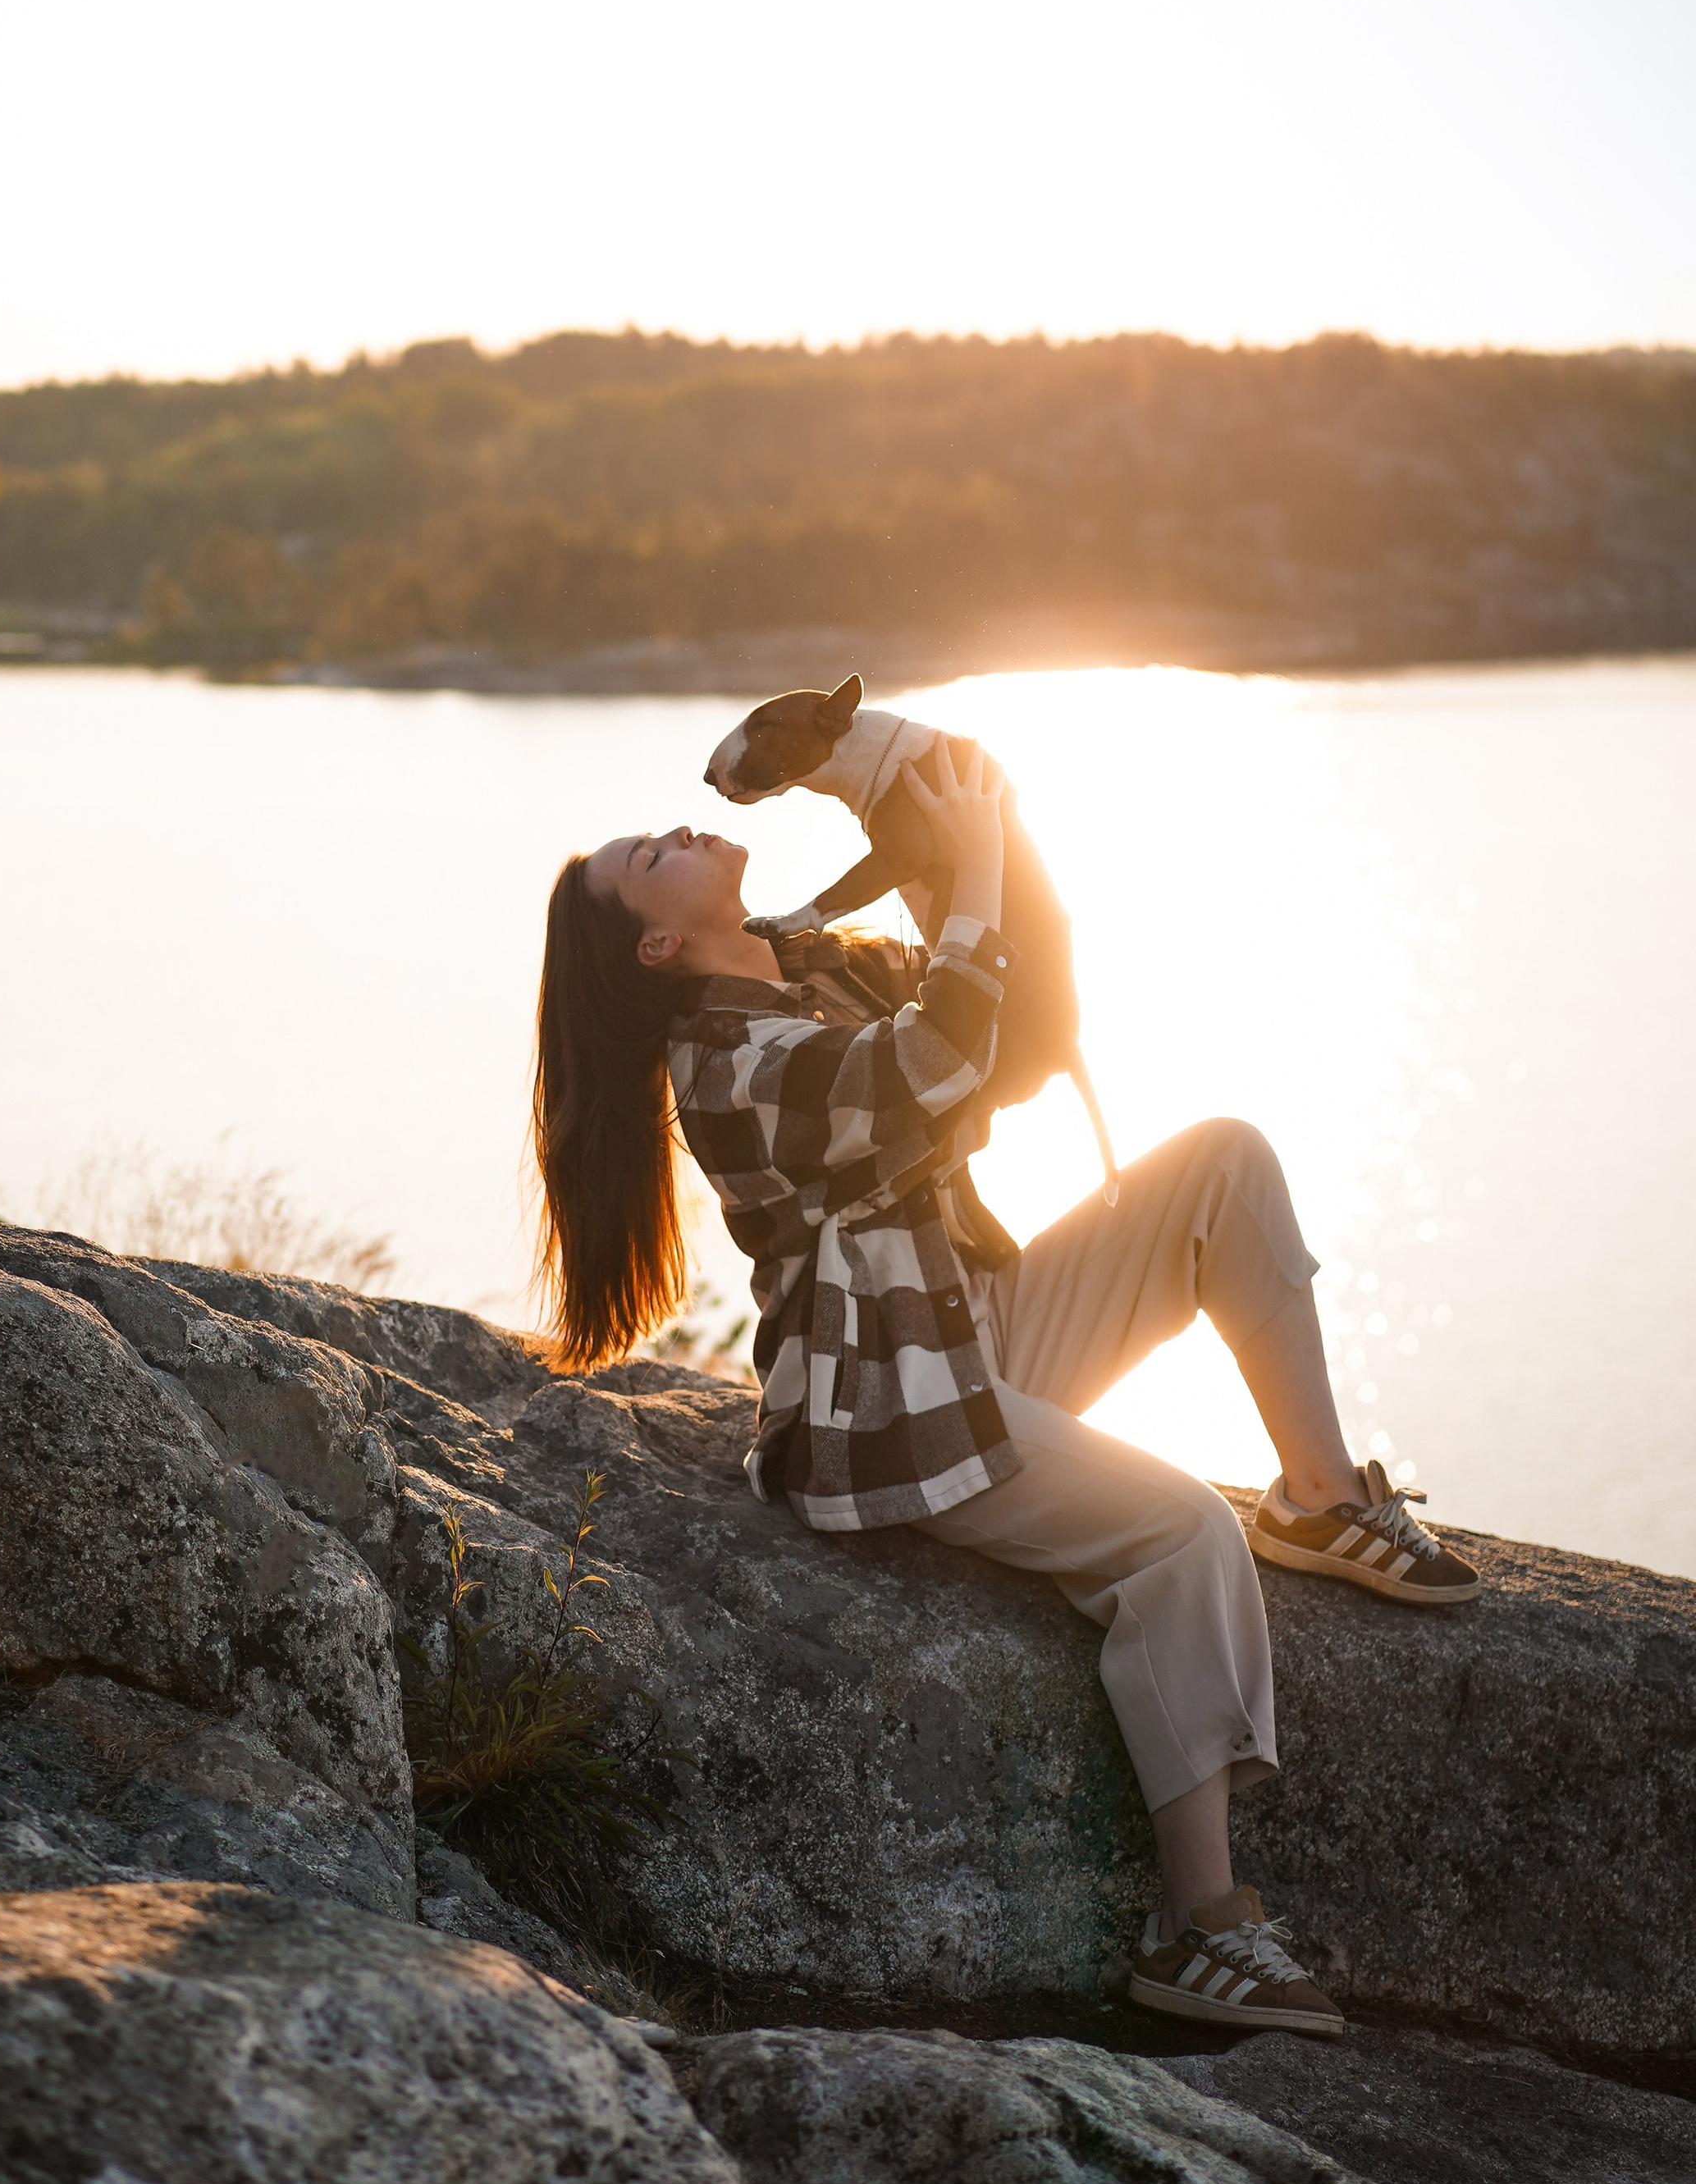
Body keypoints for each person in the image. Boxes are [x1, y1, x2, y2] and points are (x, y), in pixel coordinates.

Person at [533, 735, 1479, 2038]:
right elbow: (928, 1064)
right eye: (654, 854)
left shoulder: (796, 957)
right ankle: (1198, 1929)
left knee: (1223, 1164)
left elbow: (1015, 1025)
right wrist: (968, 860)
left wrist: (912, 799)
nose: (681, 834)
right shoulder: (728, 1064)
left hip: (964, 1330)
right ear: (654, 946)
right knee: (1184, 1531)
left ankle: (1318, 1498)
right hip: (882, 1402)